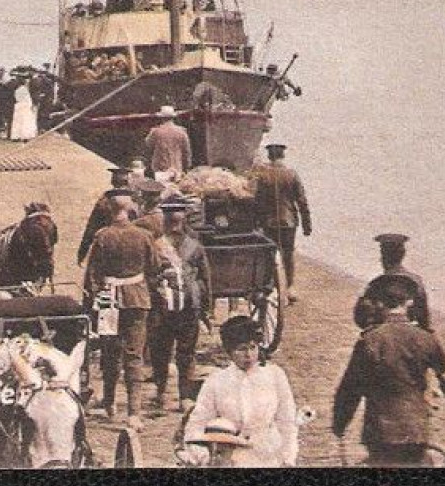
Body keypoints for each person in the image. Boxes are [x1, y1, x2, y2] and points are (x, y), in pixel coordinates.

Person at [332, 279, 445, 467]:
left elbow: (350, 390)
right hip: (416, 433)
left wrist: (340, 424)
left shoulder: (370, 340)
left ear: (380, 304)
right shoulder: (426, 338)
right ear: (408, 303)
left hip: (380, 435)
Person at [183, 316, 299, 467]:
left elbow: (287, 422)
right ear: (230, 352)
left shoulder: (275, 376)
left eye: (253, 347)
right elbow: (197, 423)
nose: (249, 355)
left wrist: (288, 457)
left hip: (269, 455)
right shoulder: (217, 381)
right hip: (229, 458)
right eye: (242, 349)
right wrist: (201, 455)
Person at [82, 194, 157, 419]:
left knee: (109, 351)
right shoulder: (143, 236)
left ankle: (109, 403)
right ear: (130, 209)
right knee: (134, 354)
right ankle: (134, 412)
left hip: (108, 298)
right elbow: (153, 267)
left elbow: (92, 273)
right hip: (137, 298)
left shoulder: (102, 237)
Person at [148, 201, 210, 410]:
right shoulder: (196, 246)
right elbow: (205, 278)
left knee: (160, 351)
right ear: (184, 220)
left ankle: (162, 392)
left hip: (161, 307)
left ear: (164, 221)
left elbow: (149, 276)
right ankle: (185, 397)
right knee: (187, 352)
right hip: (190, 306)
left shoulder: (155, 246)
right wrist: (205, 309)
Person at [250, 143, 311, 300]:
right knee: (288, 254)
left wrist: (255, 221)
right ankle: (290, 288)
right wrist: (307, 224)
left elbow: (257, 200)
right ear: (282, 156)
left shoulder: (262, 175)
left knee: (268, 253)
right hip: (288, 221)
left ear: (270, 156)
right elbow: (302, 201)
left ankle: (269, 285)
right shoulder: (292, 174)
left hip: (268, 222)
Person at [355, 234, 432, 331]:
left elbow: (360, 317)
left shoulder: (376, 283)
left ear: (383, 257)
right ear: (402, 255)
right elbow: (424, 318)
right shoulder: (417, 282)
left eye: (384, 254)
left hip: (381, 334)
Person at [78, 167, 134, 265]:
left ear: (112, 181)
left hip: (109, 243)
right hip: (132, 244)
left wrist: (82, 252)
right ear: (127, 182)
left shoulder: (104, 201)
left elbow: (91, 227)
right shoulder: (136, 200)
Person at [143, 106, 192, 178]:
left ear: (161, 118)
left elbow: (148, 147)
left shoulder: (155, 132)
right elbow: (187, 152)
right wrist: (186, 168)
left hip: (160, 170)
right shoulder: (182, 132)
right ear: (173, 118)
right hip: (177, 169)